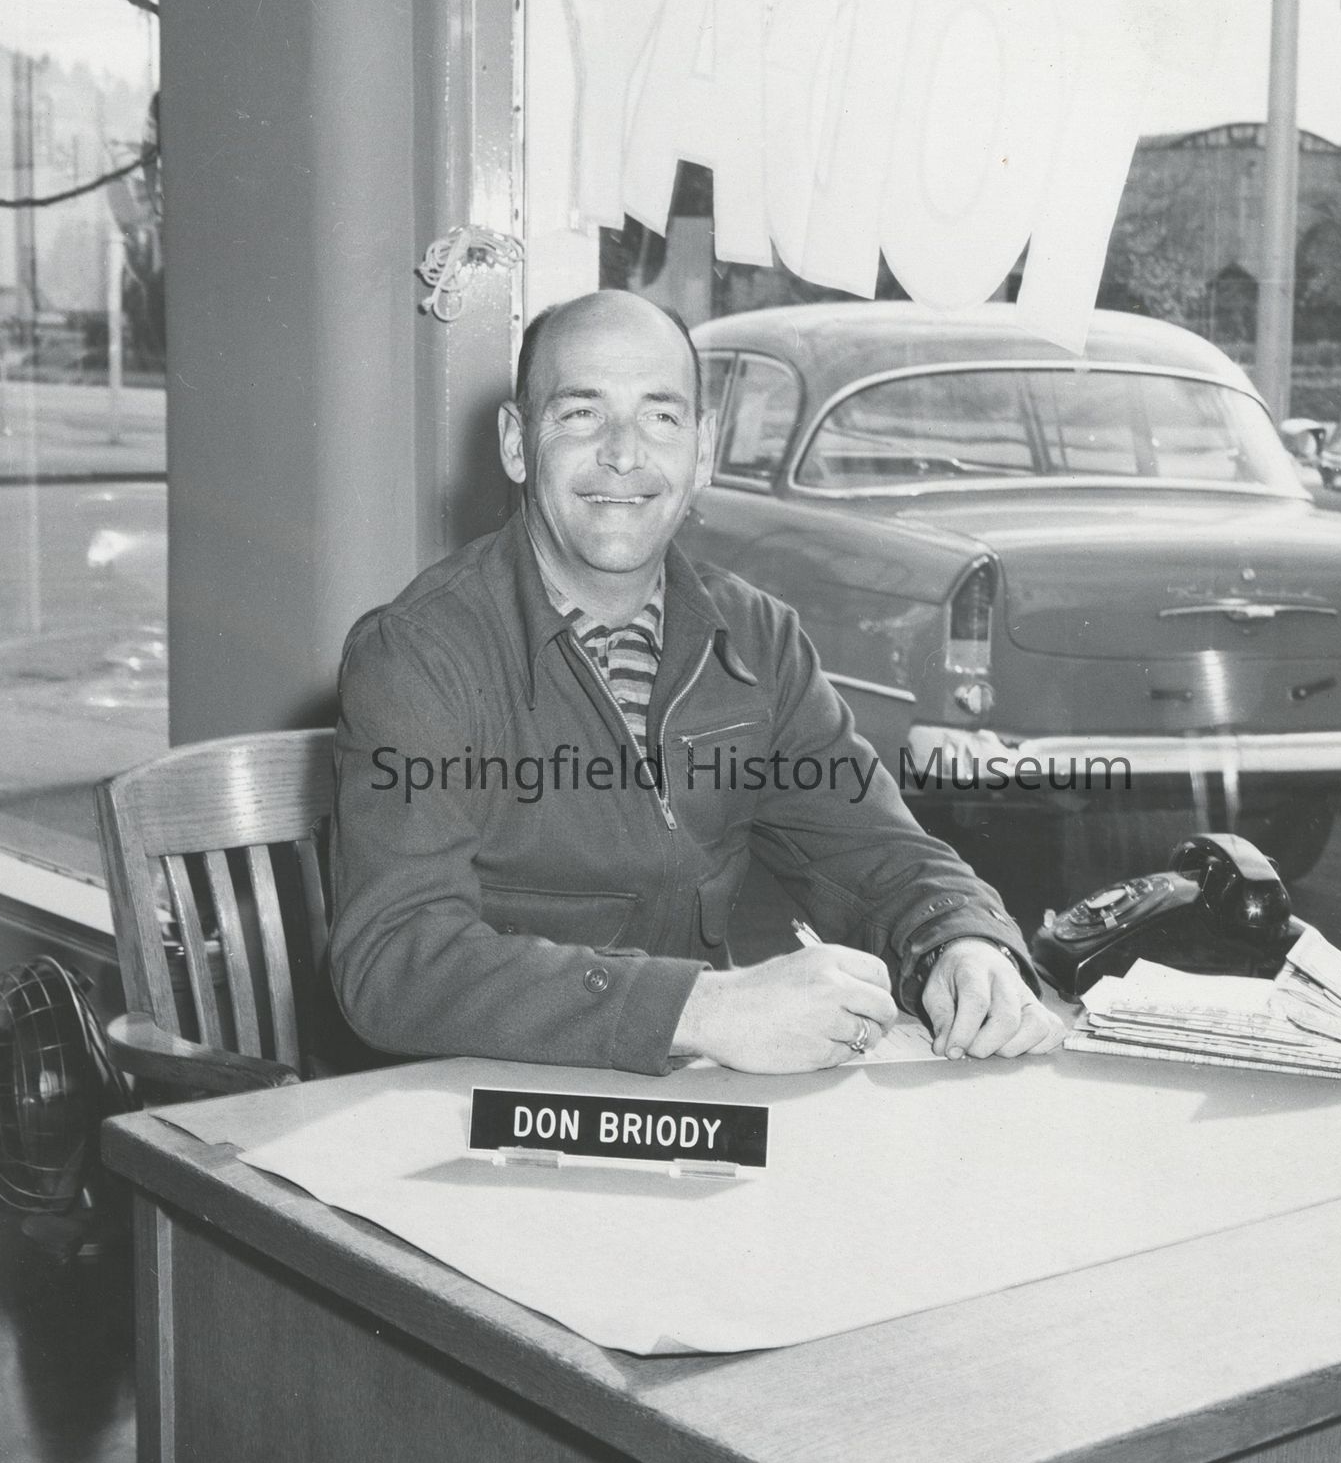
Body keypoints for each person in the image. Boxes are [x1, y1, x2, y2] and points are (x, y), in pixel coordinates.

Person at [325, 288, 1065, 1075]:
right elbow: (394, 958)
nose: (624, 454)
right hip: (480, 1105)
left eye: (661, 416)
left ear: (703, 450)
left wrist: (964, 942)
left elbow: (875, 849)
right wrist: (704, 1009)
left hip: (691, 1105)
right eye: (581, 413)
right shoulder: (418, 655)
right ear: (516, 443)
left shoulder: (757, 640)